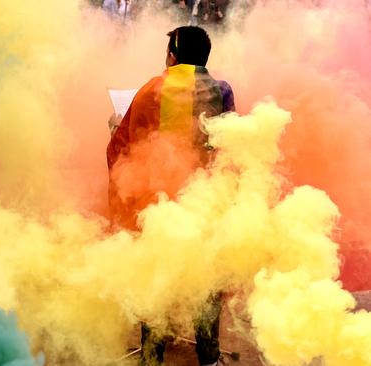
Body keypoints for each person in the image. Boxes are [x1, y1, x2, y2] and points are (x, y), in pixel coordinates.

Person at [105, 26, 235, 366]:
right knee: (208, 278)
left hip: (159, 203)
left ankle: (152, 356)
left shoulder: (150, 90)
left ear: (172, 57)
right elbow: (232, 144)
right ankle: (208, 356)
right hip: (207, 201)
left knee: (157, 277)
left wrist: (116, 124)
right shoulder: (222, 91)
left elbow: (123, 149)